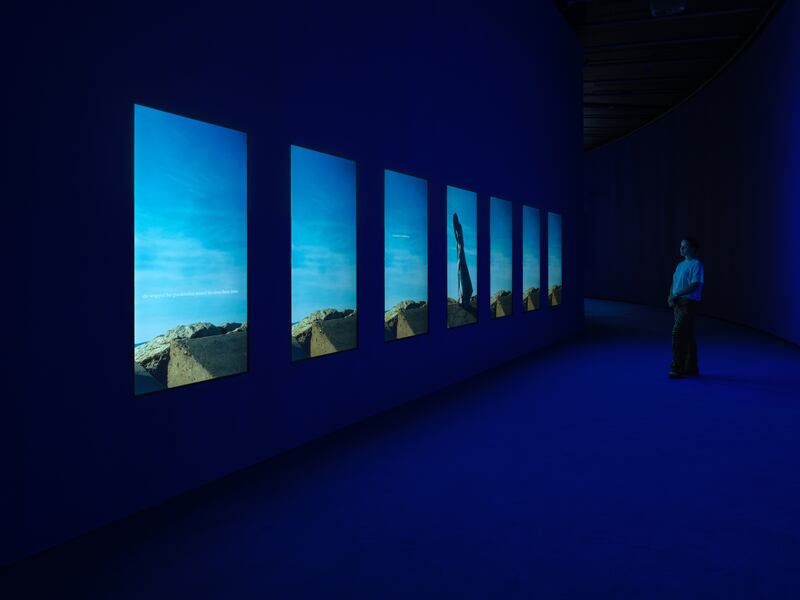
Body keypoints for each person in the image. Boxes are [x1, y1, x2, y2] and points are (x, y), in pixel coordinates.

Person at [667, 237, 704, 379]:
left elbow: (695, 284)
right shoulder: (680, 265)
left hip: (688, 303)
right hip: (678, 303)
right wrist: (670, 296)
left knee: (677, 332)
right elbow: (674, 282)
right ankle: (691, 367)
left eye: (685, 246)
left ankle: (677, 367)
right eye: (681, 246)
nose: (681, 249)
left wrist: (676, 294)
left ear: (693, 248)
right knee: (687, 335)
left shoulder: (697, 264)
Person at [453, 213, 473, 309]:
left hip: (460, 250)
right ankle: (462, 299)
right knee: (461, 271)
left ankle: (463, 299)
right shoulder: (459, 244)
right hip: (460, 249)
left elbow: (460, 239)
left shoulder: (460, 243)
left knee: (461, 270)